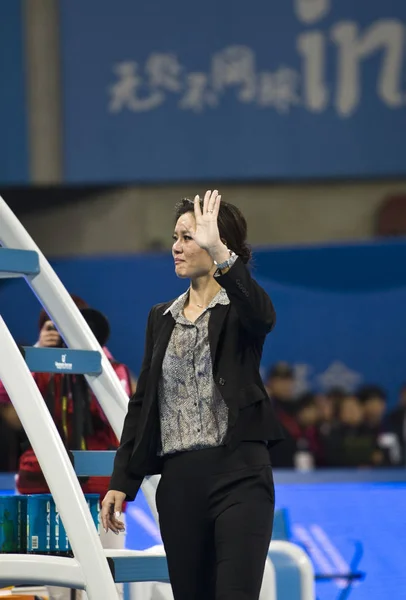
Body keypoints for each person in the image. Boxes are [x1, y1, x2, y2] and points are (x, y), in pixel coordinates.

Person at [101, 190, 284, 600]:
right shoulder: (159, 316)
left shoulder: (240, 308)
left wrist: (219, 249)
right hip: (180, 483)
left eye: (189, 237)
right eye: (175, 237)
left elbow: (264, 315)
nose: (176, 248)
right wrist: (122, 479)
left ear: (218, 243)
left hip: (240, 476)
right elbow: (144, 401)